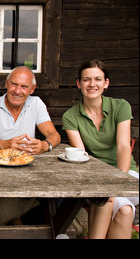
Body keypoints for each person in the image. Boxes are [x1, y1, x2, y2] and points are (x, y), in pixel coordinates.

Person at [62, 59, 139, 239]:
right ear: (79, 84)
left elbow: (123, 146)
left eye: (97, 79)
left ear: (106, 83)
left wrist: (118, 181)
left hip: (126, 174)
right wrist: (106, 185)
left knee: (110, 198)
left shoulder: (120, 106)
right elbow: (82, 156)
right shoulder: (71, 116)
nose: (92, 84)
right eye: (87, 79)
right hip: (95, 176)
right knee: (124, 210)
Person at [0, 66, 61, 226]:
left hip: (28, 168)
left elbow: (54, 135)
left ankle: (22, 222)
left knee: (61, 197)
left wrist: (44, 145)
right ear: (6, 84)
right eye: (14, 84)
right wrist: (4, 144)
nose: (18, 91)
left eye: (24, 86)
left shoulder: (36, 103)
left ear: (32, 89)